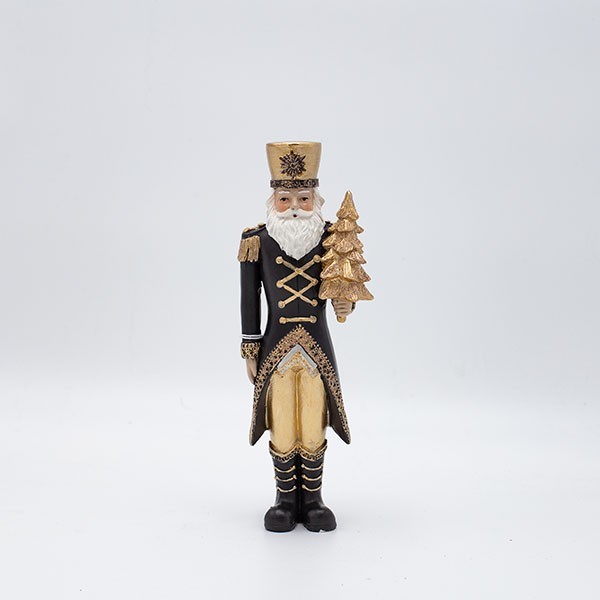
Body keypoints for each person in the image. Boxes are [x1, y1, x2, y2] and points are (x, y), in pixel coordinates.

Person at [238, 141, 353, 532]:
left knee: (314, 420)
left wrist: (345, 304)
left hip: (316, 347)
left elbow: (340, 287)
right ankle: (285, 500)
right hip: (277, 348)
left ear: (315, 199)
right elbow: (249, 299)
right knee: (283, 421)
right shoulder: (257, 240)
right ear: (273, 199)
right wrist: (250, 347)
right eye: (285, 198)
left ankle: (314, 499)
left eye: (303, 198)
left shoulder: (330, 238)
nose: (294, 207)